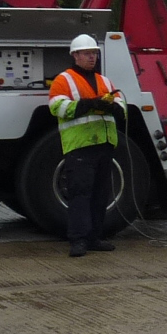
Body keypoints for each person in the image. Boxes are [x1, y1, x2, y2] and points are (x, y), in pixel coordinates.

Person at [49, 33, 127, 256]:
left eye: (94, 53)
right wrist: (89, 104)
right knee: (80, 193)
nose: (91, 57)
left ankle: (94, 237)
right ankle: (78, 240)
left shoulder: (104, 81)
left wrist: (113, 108)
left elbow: (122, 107)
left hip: (103, 144)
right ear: (75, 56)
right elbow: (57, 107)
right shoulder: (63, 80)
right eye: (86, 53)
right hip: (80, 145)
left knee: (100, 194)